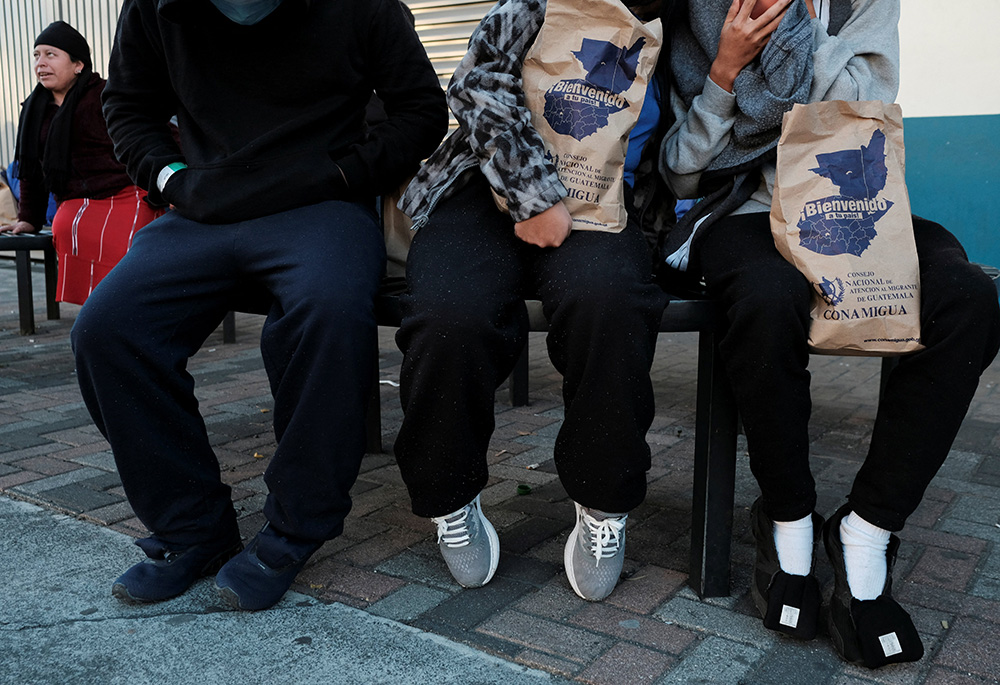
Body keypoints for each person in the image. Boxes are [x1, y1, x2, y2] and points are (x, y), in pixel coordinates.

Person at [70, 0, 447, 611]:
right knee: (109, 329)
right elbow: (128, 106)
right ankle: (193, 528)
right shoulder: (156, 8)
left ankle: (296, 526)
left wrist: (344, 173)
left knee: (326, 312)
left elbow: (422, 110)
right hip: (202, 204)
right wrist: (170, 179)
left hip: (321, 202)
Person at [660, 0, 1000, 667]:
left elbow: (861, 102)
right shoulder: (702, 11)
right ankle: (786, 518)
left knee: (967, 296)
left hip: (850, 210)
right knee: (764, 296)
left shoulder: (862, 2)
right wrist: (726, 70)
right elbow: (680, 167)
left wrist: (797, 30)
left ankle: (866, 530)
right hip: (744, 210)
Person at [394, 0, 679, 602]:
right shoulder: (537, 1)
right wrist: (531, 194)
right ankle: (451, 496)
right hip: (487, 182)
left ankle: (603, 499)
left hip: (606, 197)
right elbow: (476, 80)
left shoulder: (690, 17)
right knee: (449, 313)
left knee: (612, 302)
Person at [0, 22, 163, 305]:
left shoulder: (107, 96)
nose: (40, 63)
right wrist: (28, 218)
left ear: (78, 64)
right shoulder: (34, 109)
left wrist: (172, 187)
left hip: (130, 191)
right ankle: (97, 306)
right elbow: (31, 170)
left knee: (131, 235)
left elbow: (157, 135)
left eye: (51, 54)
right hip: (79, 199)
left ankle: (136, 304)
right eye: (36, 55)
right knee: (64, 224)